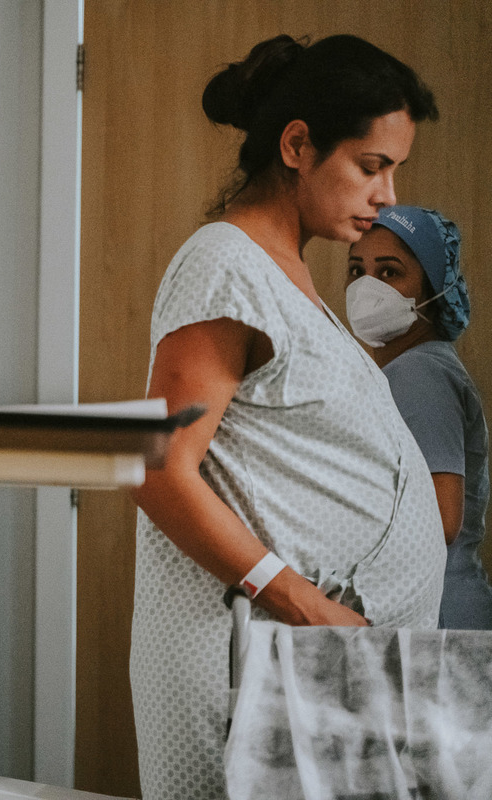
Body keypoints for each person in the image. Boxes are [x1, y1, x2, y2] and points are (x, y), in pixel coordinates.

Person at [129, 35, 446, 799]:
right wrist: (297, 599)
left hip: (312, 657)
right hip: (253, 651)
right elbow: (154, 464)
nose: (388, 194)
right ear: (298, 144)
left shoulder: (288, 271)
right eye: (371, 167)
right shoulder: (225, 263)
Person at [346, 204, 492, 629]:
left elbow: (442, 520)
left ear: (433, 288)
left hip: (440, 616)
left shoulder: (418, 372)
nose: (367, 287)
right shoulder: (414, 367)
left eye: (389, 272)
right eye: (357, 271)